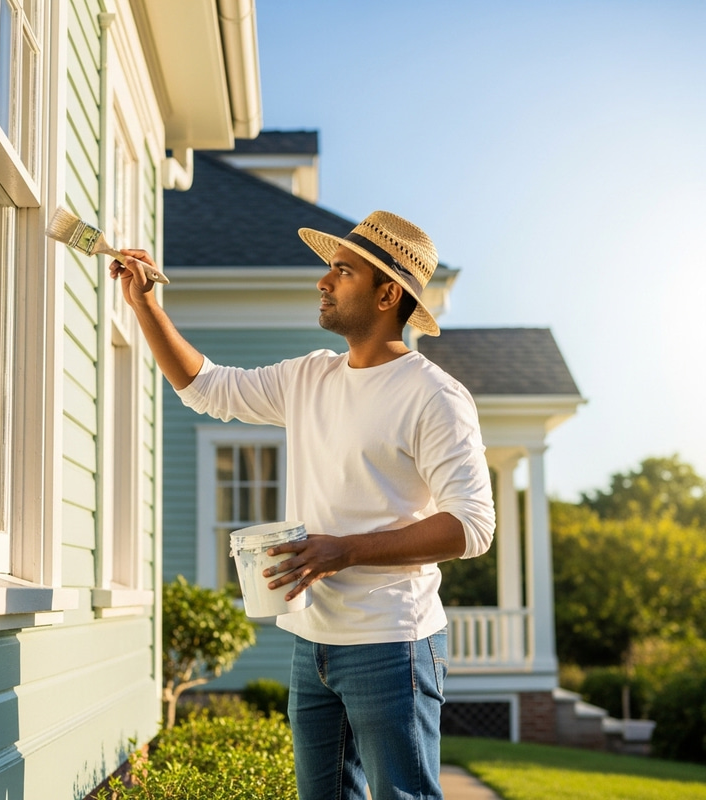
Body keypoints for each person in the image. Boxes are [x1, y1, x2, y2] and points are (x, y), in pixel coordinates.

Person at [111, 210, 495, 800]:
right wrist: (145, 307)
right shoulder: (310, 376)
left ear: (388, 293)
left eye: (342, 271)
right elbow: (207, 389)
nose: (323, 281)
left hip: (394, 644)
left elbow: (471, 525)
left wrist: (344, 552)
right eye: (328, 269)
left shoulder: (434, 396)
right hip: (313, 640)